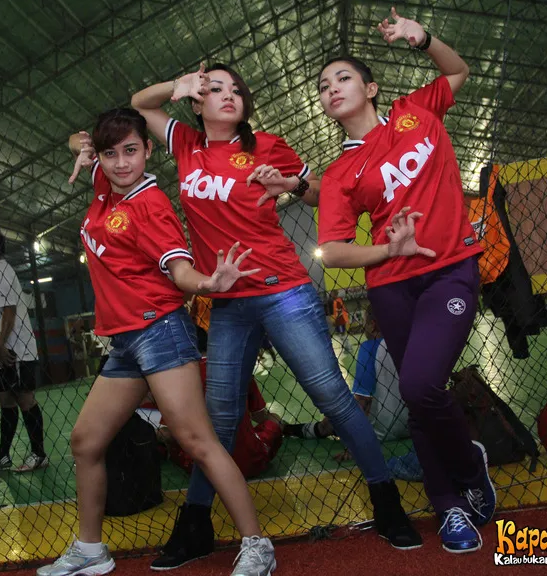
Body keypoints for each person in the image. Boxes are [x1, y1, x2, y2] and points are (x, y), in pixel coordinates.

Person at [131, 62, 422, 566]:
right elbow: (141, 105)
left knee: (332, 396)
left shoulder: (266, 145)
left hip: (283, 291)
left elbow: (318, 195)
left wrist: (285, 183)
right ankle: (196, 524)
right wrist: (176, 86)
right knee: (219, 421)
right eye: (214, 89)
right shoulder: (185, 144)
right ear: (198, 103)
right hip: (226, 305)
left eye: (235, 90)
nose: (227, 96)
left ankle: (385, 501)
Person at [41, 108, 275, 576]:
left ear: (149, 150)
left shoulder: (150, 205)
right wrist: (83, 148)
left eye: (131, 151)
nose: (121, 162)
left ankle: (257, 545)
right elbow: (74, 135)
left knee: (197, 440)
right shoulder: (107, 188)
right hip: (125, 342)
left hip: (160, 331)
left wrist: (209, 283)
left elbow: (179, 269)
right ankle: (90, 550)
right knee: (86, 441)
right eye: (110, 154)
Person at [315, 7, 497, 553]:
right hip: (391, 285)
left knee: (420, 384)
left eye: (342, 77)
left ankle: (469, 470)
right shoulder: (339, 174)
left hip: (449, 271)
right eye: (323, 87)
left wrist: (425, 40)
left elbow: (459, 73)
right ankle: (449, 510)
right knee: (421, 400)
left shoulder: (414, 111)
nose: (331, 89)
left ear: (370, 87)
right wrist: (385, 249)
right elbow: (334, 251)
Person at [0, 228, 49, 473]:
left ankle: (39, 454)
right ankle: (4, 455)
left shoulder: (2, 272)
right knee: (6, 400)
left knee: (25, 399)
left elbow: (9, 311)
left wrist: (0, 344)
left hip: (15, 350)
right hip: (4, 351)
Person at [283, 307, 410, 444]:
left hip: (380, 432)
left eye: (366, 323)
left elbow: (362, 401)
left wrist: (358, 444)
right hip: (414, 427)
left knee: (334, 418)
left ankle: (291, 429)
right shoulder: (408, 343)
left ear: (372, 326)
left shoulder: (370, 348)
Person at [152, 360, 283, 480]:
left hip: (201, 467)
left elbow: (168, 434)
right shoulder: (240, 369)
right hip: (249, 463)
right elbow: (259, 417)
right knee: (274, 420)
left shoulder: (180, 378)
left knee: (169, 435)